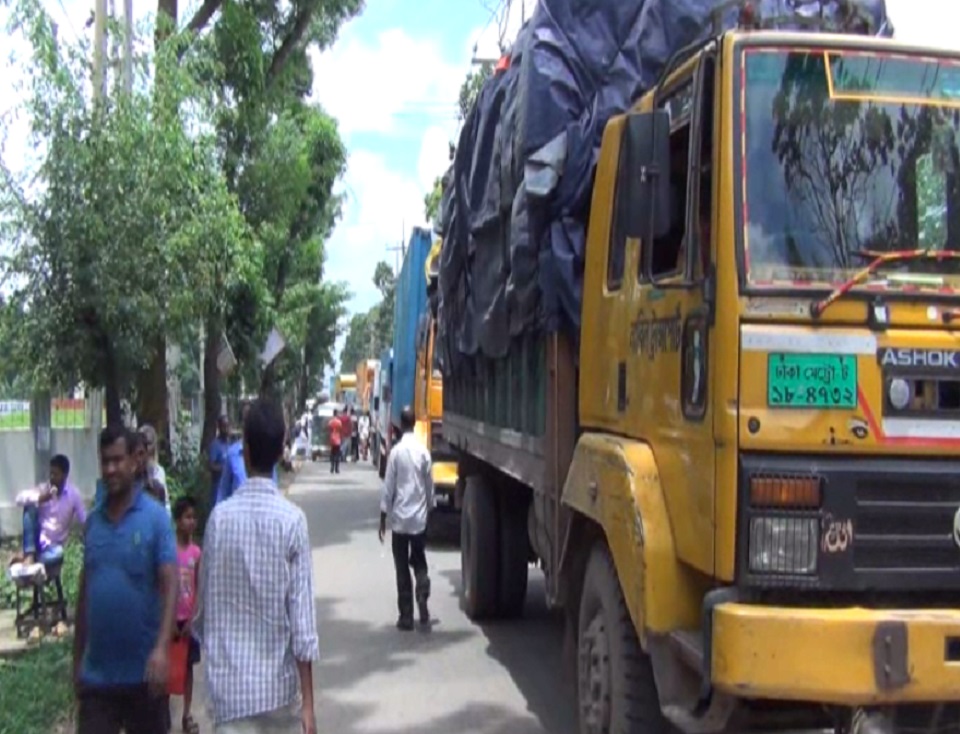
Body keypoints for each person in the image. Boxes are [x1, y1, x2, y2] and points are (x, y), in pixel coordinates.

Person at [195, 398, 319, 734]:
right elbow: (303, 626)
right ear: (282, 450)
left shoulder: (218, 521)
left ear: (243, 451)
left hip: (230, 699)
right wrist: (307, 705)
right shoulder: (293, 522)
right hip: (278, 696)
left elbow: (202, 612)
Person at [74, 424, 178, 734]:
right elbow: (85, 594)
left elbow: (170, 586)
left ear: (135, 461)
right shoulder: (93, 523)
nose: (110, 469)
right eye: (105, 461)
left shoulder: (156, 519)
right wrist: (77, 661)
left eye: (117, 460)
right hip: (97, 679)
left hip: (144, 677)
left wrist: (162, 649)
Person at [379, 405, 434, 631]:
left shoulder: (396, 453)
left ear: (401, 424)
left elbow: (388, 486)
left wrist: (383, 516)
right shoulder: (424, 452)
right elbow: (430, 486)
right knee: (418, 560)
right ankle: (422, 584)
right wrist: (430, 507)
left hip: (400, 521)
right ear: (415, 423)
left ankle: (406, 617)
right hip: (419, 520)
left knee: (402, 567)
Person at [12, 455, 86, 568]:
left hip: (53, 547)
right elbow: (19, 499)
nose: (52, 477)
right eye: (51, 473)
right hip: (37, 542)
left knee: (58, 554)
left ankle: (32, 560)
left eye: (56, 474)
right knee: (30, 506)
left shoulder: (73, 495)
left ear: (65, 476)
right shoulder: (44, 488)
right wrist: (41, 498)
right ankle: (30, 555)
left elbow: (84, 520)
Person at [172, 496, 202, 734]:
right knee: (168, 667)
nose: (191, 522)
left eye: (194, 517)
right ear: (177, 521)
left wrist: (192, 618)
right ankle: (163, 712)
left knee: (188, 668)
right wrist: (170, 620)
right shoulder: (169, 551)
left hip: (188, 619)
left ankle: (187, 713)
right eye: (187, 517)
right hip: (170, 620)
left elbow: (198, 587)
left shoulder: (196, 553)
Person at [140, 424, 171, 516]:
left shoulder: (159, 471)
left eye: (149, 443)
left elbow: (166, 503)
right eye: (143, 443)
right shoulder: (132, 471)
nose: (146, 448)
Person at [208, 415, 231, 498]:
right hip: (218, 489)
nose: (227, 429)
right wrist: (225, 468)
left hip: (228, 488)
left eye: (228, 426)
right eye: (224, 426)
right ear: (219, 428)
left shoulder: (230, 444)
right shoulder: (215, 445)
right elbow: (211, 466)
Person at [328, 409, 342, 475]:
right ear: (337, 414)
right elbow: (340, 430)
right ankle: (337, 468)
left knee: (332, 454)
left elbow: (329, 429)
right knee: (337, 454)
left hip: (332, 439)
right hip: (338, 439)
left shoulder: (330, 422)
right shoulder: (339, 422)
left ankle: (331, 468)